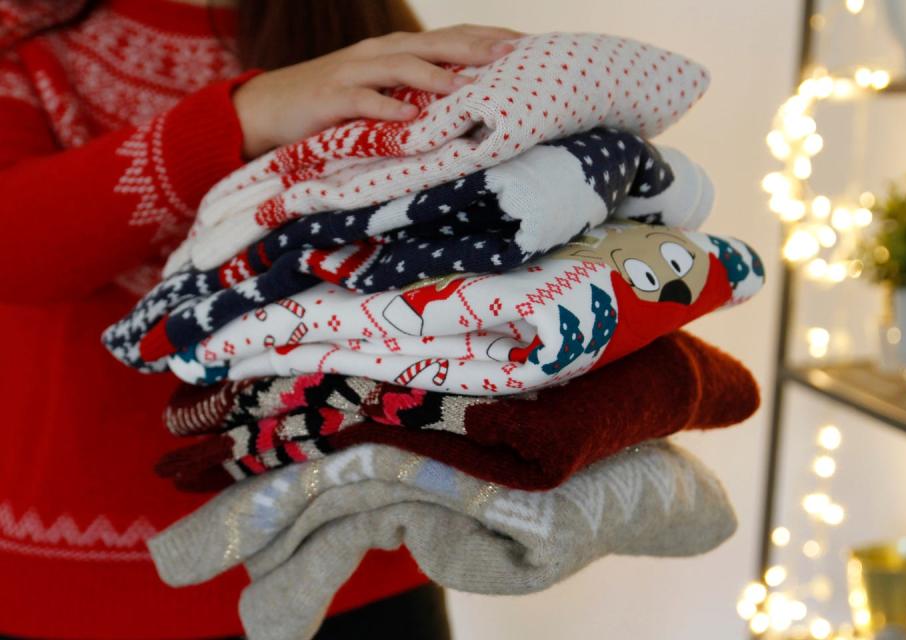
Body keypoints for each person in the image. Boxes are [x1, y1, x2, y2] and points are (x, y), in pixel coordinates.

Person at [0, 1, 519, 637]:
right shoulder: (24, 29)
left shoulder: (357, 20)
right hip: (82, 579)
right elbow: (15, 248)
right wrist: (244, 115)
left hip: (354, 556)